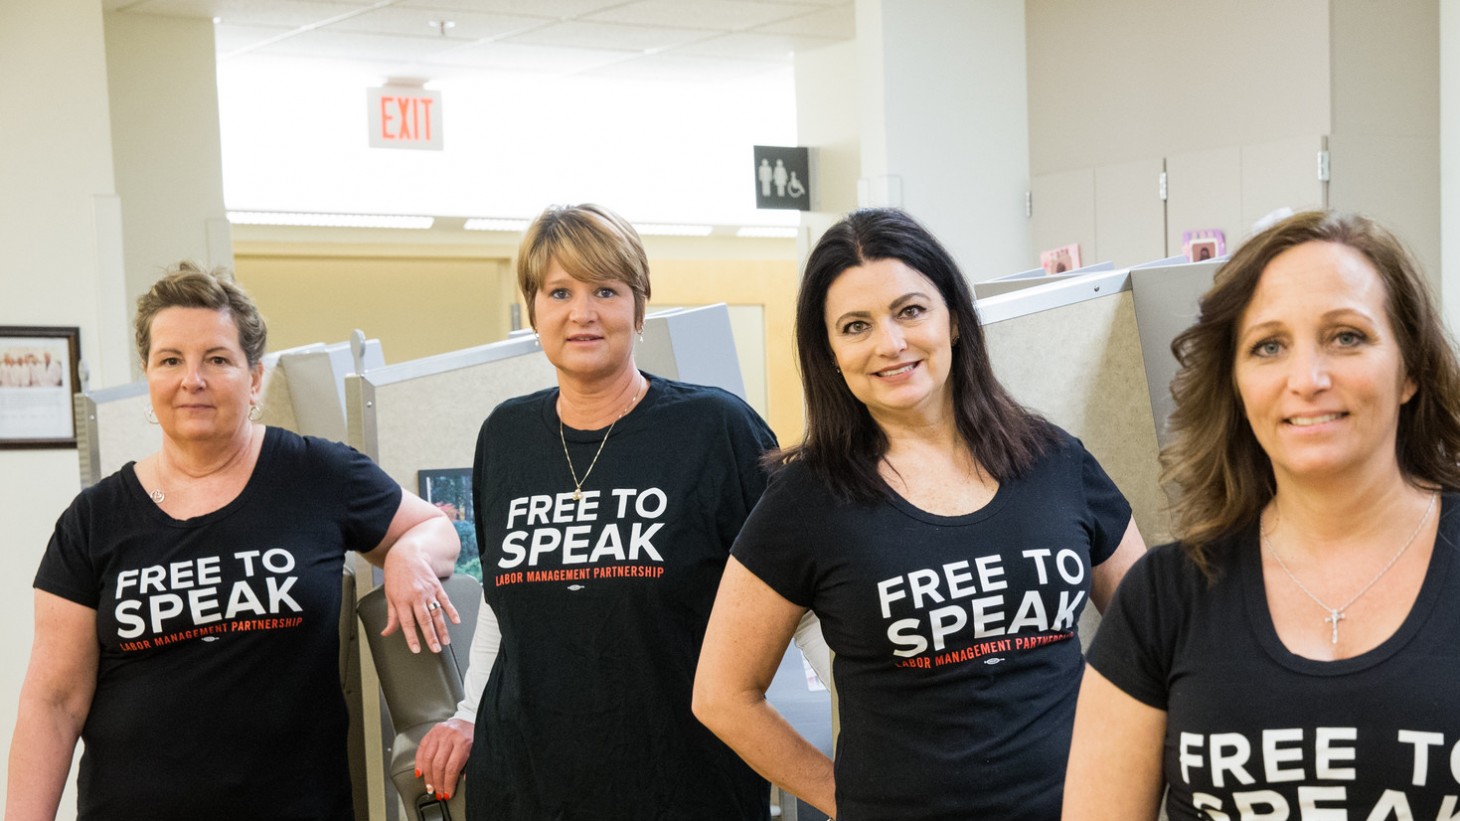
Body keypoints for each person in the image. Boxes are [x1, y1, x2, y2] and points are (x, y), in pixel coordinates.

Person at [693, 207, 1146, 820]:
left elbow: (1153, 641)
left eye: (910, 310)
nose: (890, 343)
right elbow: (722, 695)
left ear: (953, 319)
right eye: (856, 326)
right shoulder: (806, 500)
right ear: (830, 352)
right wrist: (845, 800)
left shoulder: (1055, 461)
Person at [7, 262, 462, 821]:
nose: (191, 379)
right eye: (170, 360)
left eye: (217, 359)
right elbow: (53, 703)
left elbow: (436, 528)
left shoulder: (318, 475)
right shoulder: (94, 520)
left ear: (254, 379)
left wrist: (408, 553)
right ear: (149, 376)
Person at [411, 203, 819, 819]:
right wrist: (468, 715)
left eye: (605, 290)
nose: (583, 313)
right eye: (559, 292)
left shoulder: (715, 429)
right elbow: (502, 604)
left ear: (639, 307)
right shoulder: (506, 435)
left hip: (682, 785)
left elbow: (803, 595)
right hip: (527, 784)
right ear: (533, 310)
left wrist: (869, 729)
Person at [1063, 211, 1460, 819]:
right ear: (1237, 383)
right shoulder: (1165, 597)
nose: (1308, 379)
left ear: (1410, 370)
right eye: (1269, 346)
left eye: (1346, 337)